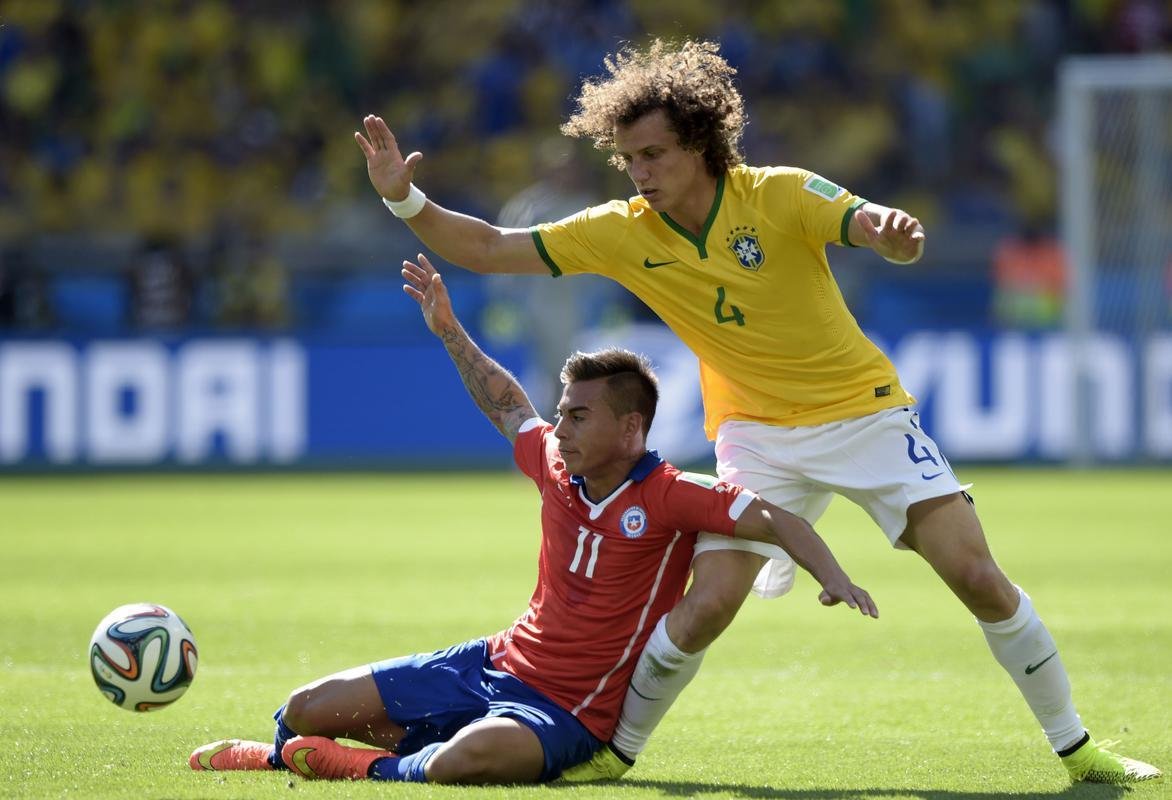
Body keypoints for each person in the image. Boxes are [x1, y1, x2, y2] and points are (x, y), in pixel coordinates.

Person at [352, 39, 1161, 785]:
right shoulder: (620, 232)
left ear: (701, 144)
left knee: (977, 577)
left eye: (655, 154)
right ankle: (614, 754)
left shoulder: (775, 196)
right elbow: (492, 247)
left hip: (866, 416)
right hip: (757, 435)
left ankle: (1080, 751)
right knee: (705, 605)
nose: (639, 171)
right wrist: (406, 200)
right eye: (628, 157)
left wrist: (893, 234)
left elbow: (866, 222)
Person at [187, 254, 877, 785]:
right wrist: (451, 330)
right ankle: (280, 753)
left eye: (579, 415)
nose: (562, 426)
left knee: (475, 758)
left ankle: (355, 768)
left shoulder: (670, 495)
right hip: (494, 663)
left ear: (631, 427)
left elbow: (777, 520)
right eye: (564, 410)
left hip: (570, 713)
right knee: (309, 703)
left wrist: (833, 576)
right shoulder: (556, 461)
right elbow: (508, 405)